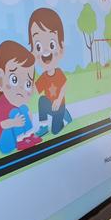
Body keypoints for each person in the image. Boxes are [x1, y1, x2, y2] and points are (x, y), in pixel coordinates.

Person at [0, 40, 42, 154]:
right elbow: (2, 124)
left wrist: (28, 117)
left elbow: (23, 120)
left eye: (28, 84)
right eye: (14, 80)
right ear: (0, 80)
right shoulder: (2, 103)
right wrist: (14, 122)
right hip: (5, 143)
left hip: (15, 134)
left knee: (24, 108)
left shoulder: (18, 104)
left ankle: (29, 136)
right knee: (14, 113)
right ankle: (21, 140)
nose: (22, 88)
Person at [28, 8, 72, 137]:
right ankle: (43, 126)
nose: (45, 51)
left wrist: (59, 99)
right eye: (38, 47)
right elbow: (35, 90)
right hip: (50, 106)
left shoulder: (58, 73)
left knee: (55, 131)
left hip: (59, 105)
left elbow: (64, 85)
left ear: (61, 48)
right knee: (42, 100)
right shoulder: (43, 77)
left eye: (52, 45)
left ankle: (65, 116)